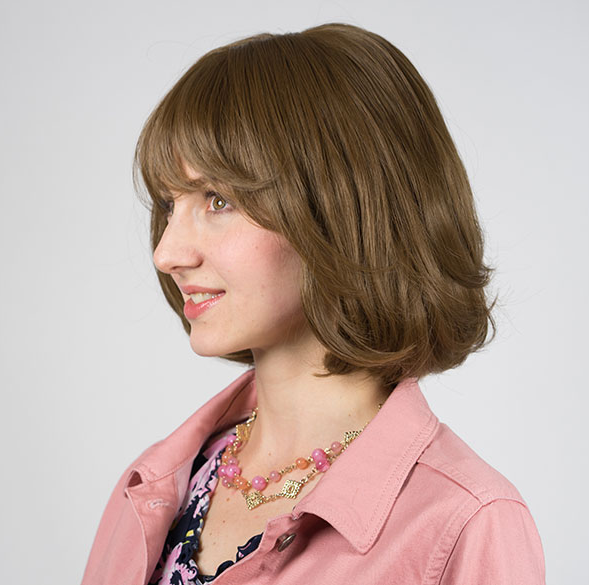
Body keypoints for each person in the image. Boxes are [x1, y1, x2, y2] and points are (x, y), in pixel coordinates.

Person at [82, 23, 545, 585]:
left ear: (342, 209)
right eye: (167, 205)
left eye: (218, 199)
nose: (166, 253)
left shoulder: (464, 525)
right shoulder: (151, 487)